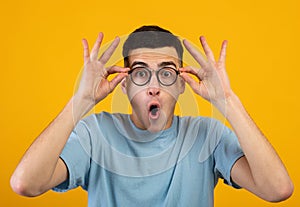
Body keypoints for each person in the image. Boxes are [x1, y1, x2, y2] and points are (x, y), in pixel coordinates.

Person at [10, 25, 293, 206]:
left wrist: (227, 100)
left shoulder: (208, 136)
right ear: (125, 84)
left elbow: (277, 189)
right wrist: (80, 101)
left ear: (183, 84)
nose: (154, 87)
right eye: (141, 73)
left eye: (167, 73)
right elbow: (25, 184)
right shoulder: (95, 133)